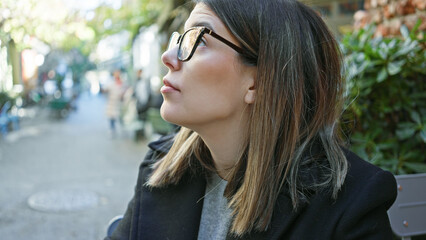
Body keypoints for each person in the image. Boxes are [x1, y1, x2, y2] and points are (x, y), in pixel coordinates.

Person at [106, 0, 397, 239]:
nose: (168, 56)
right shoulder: (159, 168)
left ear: (259, 81)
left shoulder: (349, 205)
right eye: (179, 39)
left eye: (198, 39)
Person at [105, 69, 124, 136]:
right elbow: (106, 89)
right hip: (112, 102)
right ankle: (112, 130)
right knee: (111, 117)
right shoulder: (111, 82)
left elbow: (123, 91)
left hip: (119, 103)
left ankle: (122, 130)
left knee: (120, 117)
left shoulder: (122, 82)